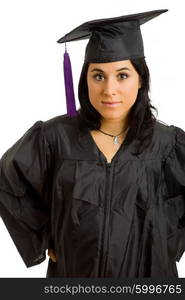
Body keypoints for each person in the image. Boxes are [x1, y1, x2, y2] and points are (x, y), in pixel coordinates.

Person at [0, 9, 185, 278]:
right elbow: (7, 179)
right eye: (98, 75)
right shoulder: (54, 138)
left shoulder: (168, 145)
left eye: (122, 75)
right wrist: (43, 236)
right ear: (85, 79)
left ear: (141, 78)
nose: (109, 89)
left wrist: (168, 242)